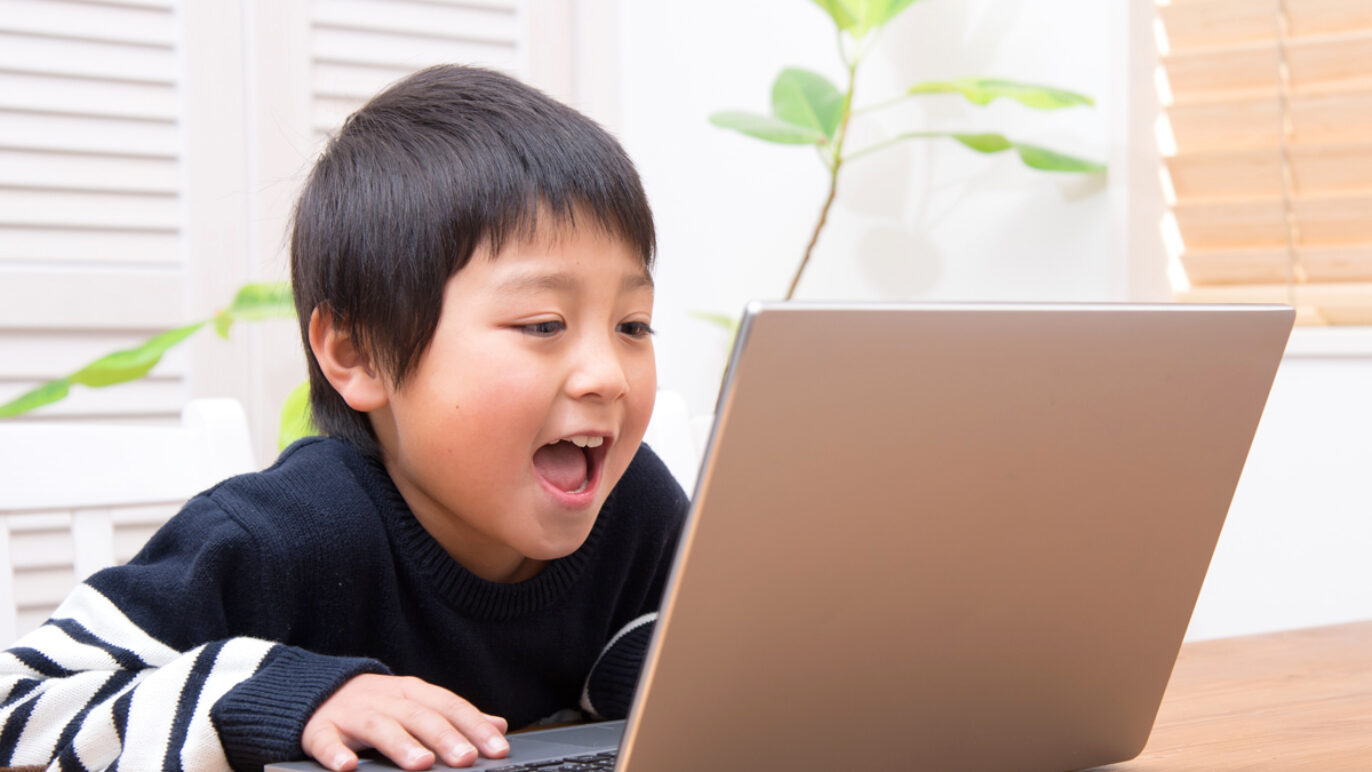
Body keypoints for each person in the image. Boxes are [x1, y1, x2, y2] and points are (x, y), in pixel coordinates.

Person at [0, 64, 688, 772]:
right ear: (357, 353)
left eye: (633, 326)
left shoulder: (632, 509)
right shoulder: (279, 537)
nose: (607, 374)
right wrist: (282, 695)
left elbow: (647, 662)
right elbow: (14, 708)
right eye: (544, 323)